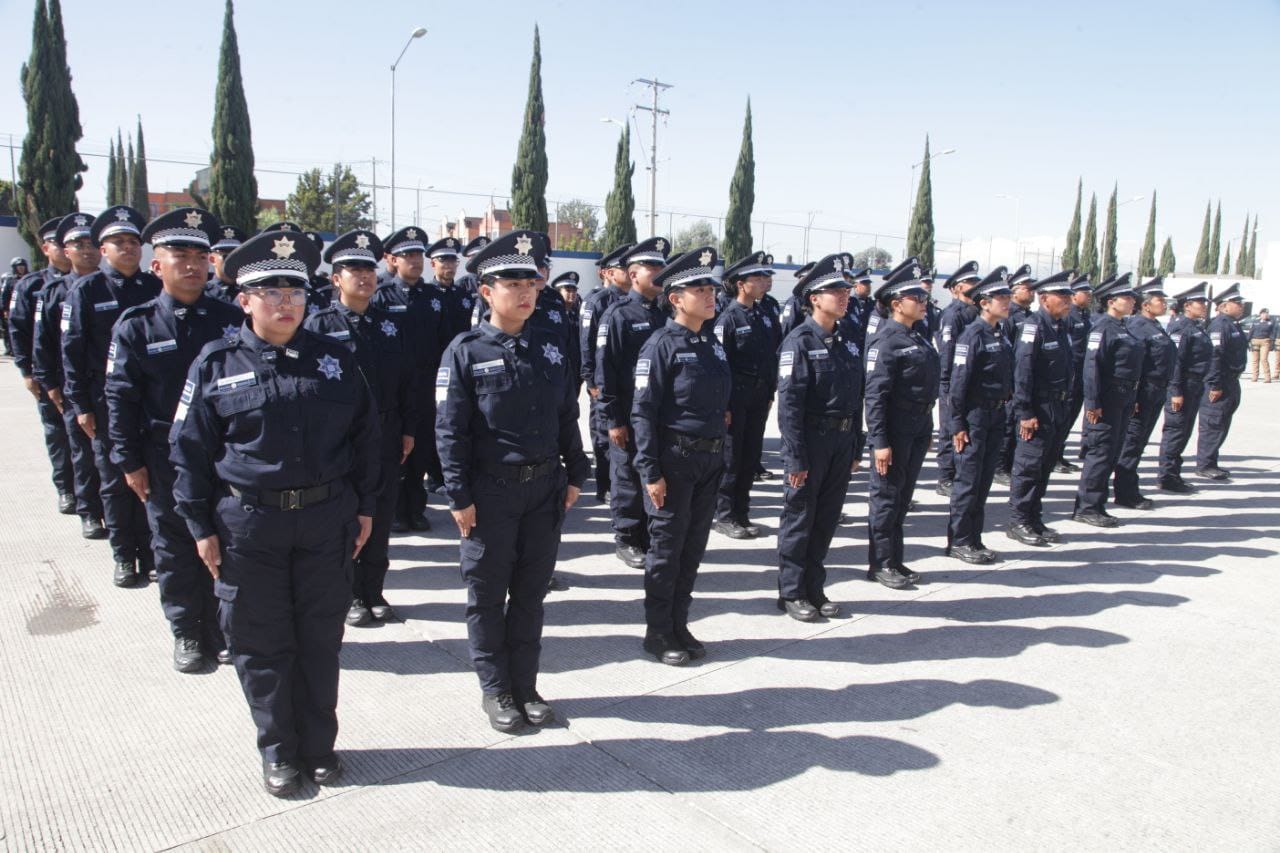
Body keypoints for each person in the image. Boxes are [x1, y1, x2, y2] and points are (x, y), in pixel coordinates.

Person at [171, 229, 379, 797]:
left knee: (319, 638)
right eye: (271, 292)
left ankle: (319, 746)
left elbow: (366, 439)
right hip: (249, 526)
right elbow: (188, 451)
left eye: (295, 291)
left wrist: (365, 508)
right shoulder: (216, 363)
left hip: (325, 520)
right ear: (244, 300)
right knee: (261, 642)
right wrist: (199, 526)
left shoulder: (336, 361)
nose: (286, 302)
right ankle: (279, 750)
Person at [435, 230, 588, 732]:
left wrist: (576, 471)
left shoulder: (550, 346)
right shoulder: (465, 351)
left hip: (543, 489)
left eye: (531, 282)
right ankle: (496, 688)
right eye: (512, 283)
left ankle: (525, 685)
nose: (526, 292)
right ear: (486, 291)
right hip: (490, 493)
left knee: (529, 593)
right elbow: (450, 429)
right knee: (486, 596)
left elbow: (566, 414)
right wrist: (458, 494)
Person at [106, 208, 244, 671]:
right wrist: (128, 461)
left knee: (226, 540)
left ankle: (223, 627)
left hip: (224, 452)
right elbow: (120, 397)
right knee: (174, 543)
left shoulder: (232, 319)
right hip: (164, 454)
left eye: (200, 256)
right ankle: (187, 630)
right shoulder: (137, 325)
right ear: (156, 265)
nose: (192, 264)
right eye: (179, 255)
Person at [305, 229, 419, 628]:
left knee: (380, 515)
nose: (365, 277)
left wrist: (408, 429)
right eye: (355, 270)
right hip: (339, 438)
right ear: (336, 279)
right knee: (345, 516)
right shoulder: (317, 326)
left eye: (369, 269)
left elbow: (407, 381)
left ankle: (374, 591)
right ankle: (350, 594)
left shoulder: (390, 325)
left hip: (385, 435)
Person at [632, 247, 731, 665]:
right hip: (675, 462)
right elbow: (643, 412)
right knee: (667, 550)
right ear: (675, 298)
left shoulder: (712, 344)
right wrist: (650, 471)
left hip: (709, 462)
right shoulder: (660, 346)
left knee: (692, 550)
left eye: (712, 288)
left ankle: (679, 623)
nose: (710, 296)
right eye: (700, 290)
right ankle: (658, 632)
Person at [62, 206, 162, 586]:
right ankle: (124, 556)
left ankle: (150, 553)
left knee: (151, 479)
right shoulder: (86, 291)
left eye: (133, 242)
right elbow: (72, 352)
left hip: (150, 402)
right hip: (106, 403)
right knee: (115, 480)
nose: (128, 248)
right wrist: (80, 405)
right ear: (103, 250)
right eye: (119, 242)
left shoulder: (154, 288)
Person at [774, 254, 864, 620]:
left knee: (826, 518)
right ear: (814, 298)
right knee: (800, 517)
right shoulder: (798, 341)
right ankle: (791, 591)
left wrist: (856, 444)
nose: (844, 296)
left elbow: (856, 397)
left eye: (846, 290)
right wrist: (795, 456)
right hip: (811, 442)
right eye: (835, 291)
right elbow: (789, 406)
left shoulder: (848, 341)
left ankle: (814, 586)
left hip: (841, 443)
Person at [863, 261, 940, 589]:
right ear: (897, 304)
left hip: (917, 426)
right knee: (887, 497)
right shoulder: (886, 341)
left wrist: (928, 427)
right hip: (895, 429)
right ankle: (880, 563)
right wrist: (880, 441)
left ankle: (895, 559)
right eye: (917, 299)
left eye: (924, 299)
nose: (923, 303)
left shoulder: (917, 336)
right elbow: (875, 396)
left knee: (902, 496)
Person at [596, 237, 671, 568]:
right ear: (633, 274)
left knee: (652, 473)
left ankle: (648, 535)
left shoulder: (667, 312)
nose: (658, 272)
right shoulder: (618, 315)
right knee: (627, 476)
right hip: (627, 412)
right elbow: (605, 370)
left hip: (657, 415)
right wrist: (613, 419)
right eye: (650, 266)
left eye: (660, 266)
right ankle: (627, 538)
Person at [33, 214, 107, 540]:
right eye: (79, 245)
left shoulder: (114, 286)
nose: (87, 250)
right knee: (82, 451)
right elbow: (44, 343)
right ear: (66, 250)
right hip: (75, 384)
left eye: (92, 244)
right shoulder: (53, 292)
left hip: (112, 386)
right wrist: (48, 383)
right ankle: (88, 510)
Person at [372, 226, 444, 531]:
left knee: (423, 445)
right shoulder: (381, 296)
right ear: (393, 260)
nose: (415, 261)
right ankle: (396, 511)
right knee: (396, 449)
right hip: (395, 386)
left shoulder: (433, 297)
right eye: (408, 255)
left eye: (418, 255)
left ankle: (416, 508)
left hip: (426, 385)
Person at [945, 270, 1014, 564]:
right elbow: (958, 384)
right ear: (984, 303)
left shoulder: (999, 332)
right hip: (974, 417)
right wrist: (957, 424)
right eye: (1001, 298)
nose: (1007, 302)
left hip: (996, 414)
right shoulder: (972, 335)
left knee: (984, 481)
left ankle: (974, 538)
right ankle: (960, 540)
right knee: (968, 481)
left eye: (1008, 296)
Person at [8, 218, 75, 515]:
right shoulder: (32, 285)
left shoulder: (93, 283)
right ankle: (66, 488)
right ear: (46, 248)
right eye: (58, 244)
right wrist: (27, 371)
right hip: (51, 372)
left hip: (82, 374)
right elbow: (19, 330)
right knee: (58, 433)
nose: (65, 249)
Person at [1005, 271, 1075, 546]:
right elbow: (1022, 373)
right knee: (1028, 466)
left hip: (1057, 406)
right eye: (1062, 296)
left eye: (1069, 296)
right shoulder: (1032, 327)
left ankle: (1034, 518)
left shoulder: (1060, 327)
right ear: (1044, 299)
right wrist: (1025, 412)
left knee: (1045, 466)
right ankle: (1018, 520)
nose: (1068, 301)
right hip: (1038, 407)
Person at [713, 251, 779, 539]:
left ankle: (742, 511)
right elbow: (720, 364)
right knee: (731, 458)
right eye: (758, 277)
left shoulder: (764, 315)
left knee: (750, 456)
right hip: (735, 400)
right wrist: (724, 404)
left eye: (765, 277)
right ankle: (725, 515)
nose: (764, 282)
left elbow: (771, 356)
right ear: (741, 284)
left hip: (759, 397)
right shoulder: (727, 318)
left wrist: (770, 391)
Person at [1072, 274, 1143, 527]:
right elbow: (1092, 367)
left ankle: (1098, 504)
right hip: (1107, 399)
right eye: (1127, 298)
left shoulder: (1123, 326)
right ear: (1112, 301)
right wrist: (1093, 403)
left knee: (1112, 452)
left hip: (1124, 397)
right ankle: (1087, 506)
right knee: (1100, 452)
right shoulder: (1102, 327)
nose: (1133, 301)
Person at [1112, 278, 1176, 509]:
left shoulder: (1155, 325)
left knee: (1139, 443)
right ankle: (1125, 492)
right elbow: (1134, 364)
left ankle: (1129, 488)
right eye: (1160, 300)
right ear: (1146, 305)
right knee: (1132, 442)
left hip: (1156, 390)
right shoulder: (1138, 326)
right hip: (1144, 392)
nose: (1164, 304)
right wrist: (1136, 397)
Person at [580, 243, 633, 502]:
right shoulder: (597, 302)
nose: (629, 272)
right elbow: (587, 343)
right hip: (602, 382)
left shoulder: (635, 302)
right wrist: (591, 380)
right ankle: (606, 485)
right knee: (604, 434)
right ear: (609, 273)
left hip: (625, 382)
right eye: (623, 268)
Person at [1156, 282, 1213, 493]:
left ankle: (1173, 474)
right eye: (1200, 302)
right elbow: (1176, 362)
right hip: (1183, 386)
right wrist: (1176, 391)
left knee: (1184, 431)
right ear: (1187, 305)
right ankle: (1167, 476)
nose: (1204, 306)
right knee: (1175, 431)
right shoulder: (1181, 328)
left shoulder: (1195, 326)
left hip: (1195, 385)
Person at [933, 260, 982, 496]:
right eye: (970, 282)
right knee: (949, 429)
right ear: (957, 288)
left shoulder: (976, 312)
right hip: (953, 380)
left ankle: (958, 473)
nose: (975, 286)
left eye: (976, 281)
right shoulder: (953, 315)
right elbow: (947, 352)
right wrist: (946, 385)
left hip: (970, 382)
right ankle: (945, 477)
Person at [1195, 283, 1248, 480]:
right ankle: (1204, 464)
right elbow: (1215, 357)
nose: (1241, 306)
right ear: (1224, 306)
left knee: (1222, 423)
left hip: (1231, 381)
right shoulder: (1219, 326)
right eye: (1237, 303)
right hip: (1220, 382)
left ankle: (1211, 462)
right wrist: (1215, 384)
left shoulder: (1233, 324)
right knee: (1213, 423)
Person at [993, 264, 1035, 485]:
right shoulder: (1008, 317)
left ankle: (1010, 465)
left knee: (1017, 426)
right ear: (1014, 290)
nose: (1032, 292)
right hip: (1012, 380)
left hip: (1024, 379)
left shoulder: (1030, 317)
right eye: (1027, 288)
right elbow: (1006, 350)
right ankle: (1000, 467)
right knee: (1008, 426)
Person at [1053, 274, 1093, 473]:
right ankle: (1054, 456)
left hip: (1081, 372)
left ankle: (1059, 454)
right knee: (1063, 416)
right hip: (1071, 372)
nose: (1089, 295)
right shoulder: (1068, 316)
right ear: (1074, 295)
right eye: (1085, 292)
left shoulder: (1084, 316)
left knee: (1070, 417)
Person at [205, 225, 247, 304]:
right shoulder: (201, 293)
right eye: (227, 257)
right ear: (212, 259)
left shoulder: (251, 292)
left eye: (237, 256)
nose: (233, 261)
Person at [1, 256, 29, 355]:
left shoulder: (30, 278)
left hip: (27, 309)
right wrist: (5, 310)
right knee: (12, 330)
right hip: (14, 309)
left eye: (22, 266)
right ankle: (12, 349)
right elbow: (5, 296)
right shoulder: (10, 280)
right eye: (18, 266)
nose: (21, 268)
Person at [1248, 307, 1273, 382]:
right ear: (1260, 314)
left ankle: (1267, 378)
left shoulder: (1270, 322)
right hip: (1255, 341)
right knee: (1255, 360)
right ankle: (1255, 377)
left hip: (1265, 341)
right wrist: (1247, 341)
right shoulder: (1255, 322)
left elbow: (1272, 333)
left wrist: (1272, 343)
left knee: (1264, 359)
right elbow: (1251, 332)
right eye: (1264, 313)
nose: (1265, 315)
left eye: (1267, 313)